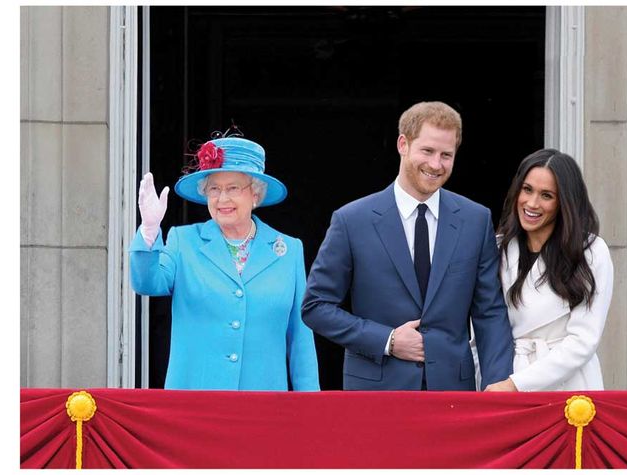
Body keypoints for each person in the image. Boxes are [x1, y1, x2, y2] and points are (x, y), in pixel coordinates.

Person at [302, 101, 514, 390]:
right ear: (403, 144)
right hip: (376, 395)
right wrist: (387, 341)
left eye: (446, 155)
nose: (436, 164)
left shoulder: (475, 220)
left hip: (452, 392)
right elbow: (316, 306)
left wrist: (498, 384)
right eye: (427, 151)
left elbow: (489, 312)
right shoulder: (352, 220)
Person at [129, 133, 319, 391]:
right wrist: (149, 232)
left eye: (233, 188)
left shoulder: (288, 251)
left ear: (255, 195)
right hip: (195, 404)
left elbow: (300, 340)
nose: (222, 199)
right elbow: (147, 283)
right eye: (214, 189)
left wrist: (309, 406)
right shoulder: (183, 241)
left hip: (263, 407)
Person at [485, 149, 614, 392]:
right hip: (504, 378)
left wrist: (517, 384)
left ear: (564, 202)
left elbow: (583, 341)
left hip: (568, 387)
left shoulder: (591, 251)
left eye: (546, 195)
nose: (532, 203)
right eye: (527, 190)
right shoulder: (497, 248)